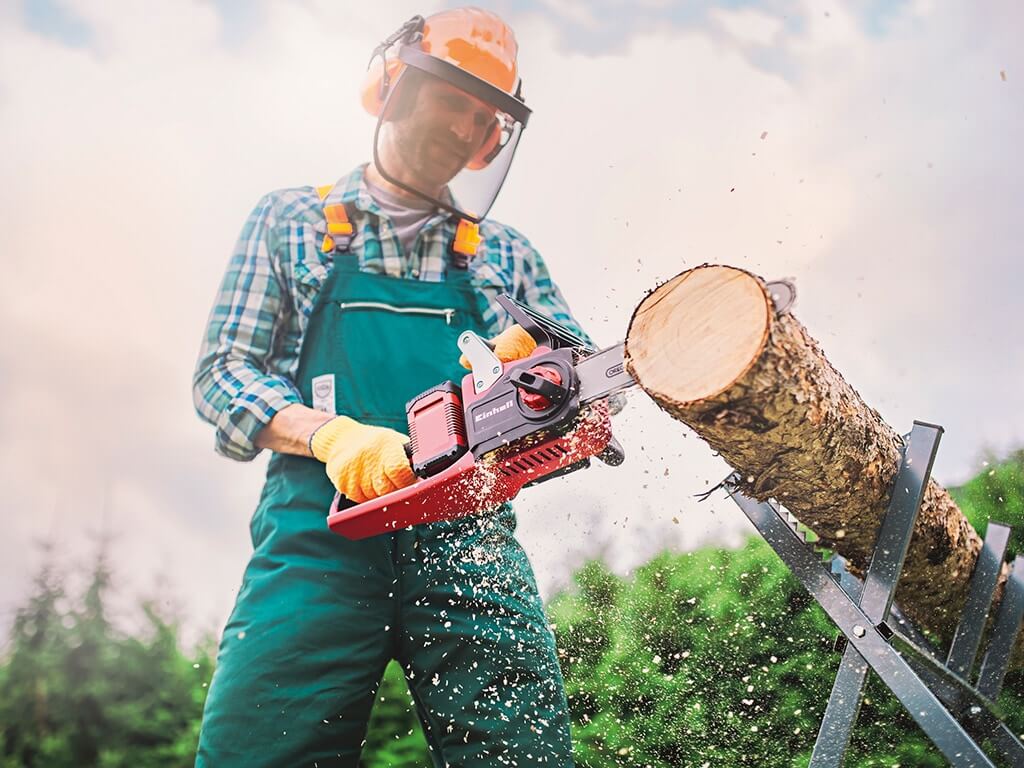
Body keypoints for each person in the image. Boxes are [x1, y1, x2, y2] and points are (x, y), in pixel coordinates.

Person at [192, 8, 591, 766]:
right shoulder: (293, 220)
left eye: (486, 120)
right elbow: (222, 373)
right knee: (259, 748)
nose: (465, 130)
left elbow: (574, 368)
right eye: (453, 100)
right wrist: (329, 435)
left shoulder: (504, 254)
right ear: (394, 86)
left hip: (470, 539)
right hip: (319, 535)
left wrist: (539, 370)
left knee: (521, 752)